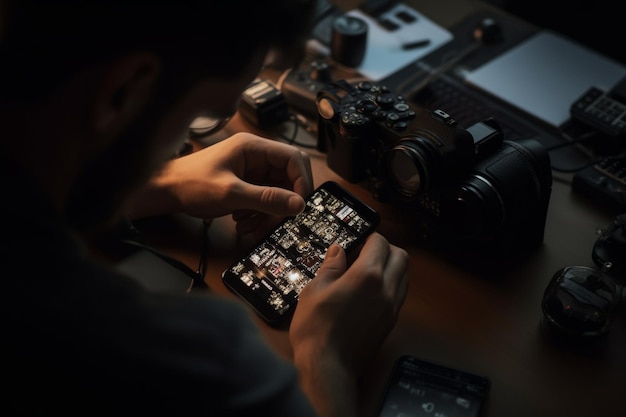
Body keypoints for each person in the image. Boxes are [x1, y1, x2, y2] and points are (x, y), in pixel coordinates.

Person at [0, 1, 409, 416]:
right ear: (125, 90)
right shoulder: (195, 359)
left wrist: (162, 183)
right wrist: (327, 359)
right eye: (198, 116)